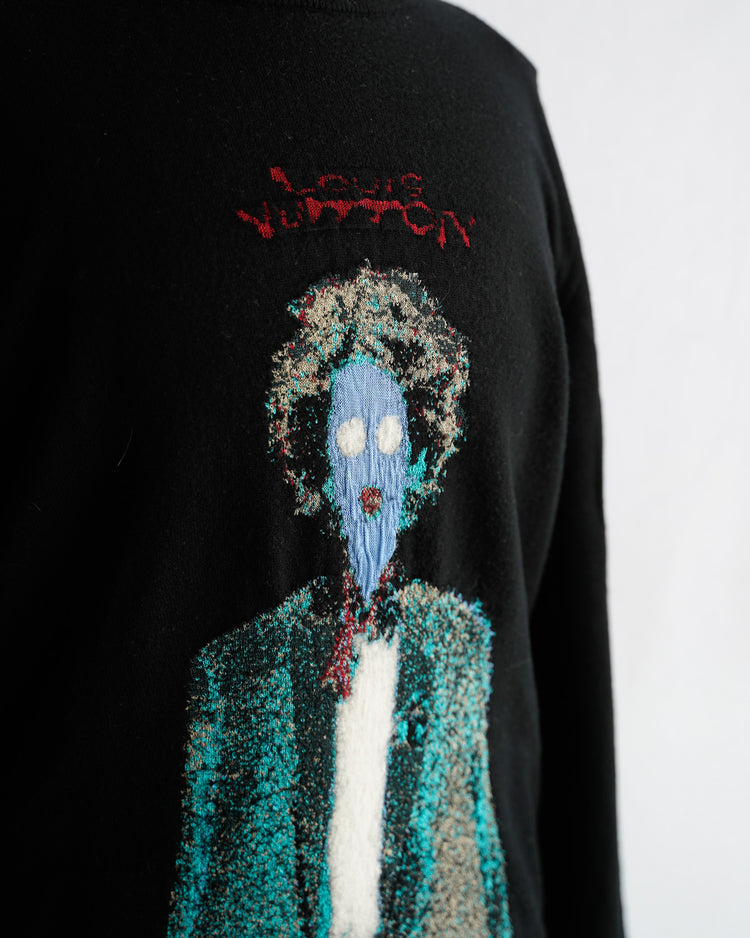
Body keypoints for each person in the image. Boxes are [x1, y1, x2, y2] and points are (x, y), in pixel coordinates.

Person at [8, 1, 624, 936]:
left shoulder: (500, 102)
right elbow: (207, 882)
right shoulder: (239, 673)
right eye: (348, 438)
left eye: (388, 438)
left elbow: (560, 677)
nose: (371, 466)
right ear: (313, 456)